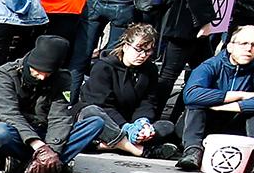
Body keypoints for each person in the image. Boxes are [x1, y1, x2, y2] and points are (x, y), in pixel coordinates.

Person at [0, 35, 106, 173]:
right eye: (37, 72)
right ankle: (54, 165)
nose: (42, 78)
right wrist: (38, 146)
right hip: (14, 131)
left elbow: (59, 117)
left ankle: (34, 164)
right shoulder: (4, 74)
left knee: (95, 123)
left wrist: (52, 149)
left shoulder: (63, 78)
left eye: (48, 74)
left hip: (43, 132)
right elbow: (9, 114)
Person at [176, 25, 254, 173]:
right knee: (196, 103)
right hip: (205, 123)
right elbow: (191, 95)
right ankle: (192, 151)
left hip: (238, 125)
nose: (249, 49)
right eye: (243, 43)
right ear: (231, 46)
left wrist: (230, 106)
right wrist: (239, 95)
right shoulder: (211, 65)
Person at [75, 23, 178, 159]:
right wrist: (125, 127)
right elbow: (101, 104)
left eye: (148, 51)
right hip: (107, 119)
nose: (142, 55)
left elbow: (148, 101)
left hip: (130, 120)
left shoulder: (150, 70)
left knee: (167, 127)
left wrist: (143, 123)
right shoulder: (104, 67)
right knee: (93, 116)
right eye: (138, 49)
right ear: (125, 46)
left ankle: (111, 145)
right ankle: (135, 148)